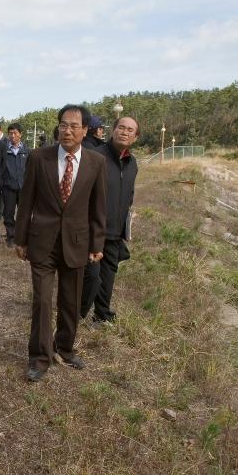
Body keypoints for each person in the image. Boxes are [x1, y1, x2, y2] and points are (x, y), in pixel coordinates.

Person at [15, 104, 107, 381]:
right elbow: (26, 200)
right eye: (63, 125)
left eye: (74, 126)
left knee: (71, 299)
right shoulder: (38, 157)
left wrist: (97, 243)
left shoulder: (95, 162)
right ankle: (40, 357)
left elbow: (98, 207)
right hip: (42, 242)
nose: (67, 131)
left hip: (77, 242)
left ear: (85, 130)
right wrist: (20, 239)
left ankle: (65, 348)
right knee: (42, 301)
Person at [81, 116, 140, 325]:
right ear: (112, 131)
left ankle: (102, 315)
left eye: (130, 130)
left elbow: (129, 195)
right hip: (93, 231)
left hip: (115, 233)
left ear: (135, 137)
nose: (125, 132)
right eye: (121, 127)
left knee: (107, 278)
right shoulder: (95, 157)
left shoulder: (132, 163)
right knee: (91, 278)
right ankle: (75, 316)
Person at [0, 122, 30, 245]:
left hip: (24, 187)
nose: (12, 136)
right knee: (8, 213)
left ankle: (22, 237)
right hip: (8, 187)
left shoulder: (27, 151)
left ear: (20, 134)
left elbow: (30, 168)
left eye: (15, 133)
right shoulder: (3, 150)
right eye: (10, 133)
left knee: (24, 213)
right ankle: (11, 237)